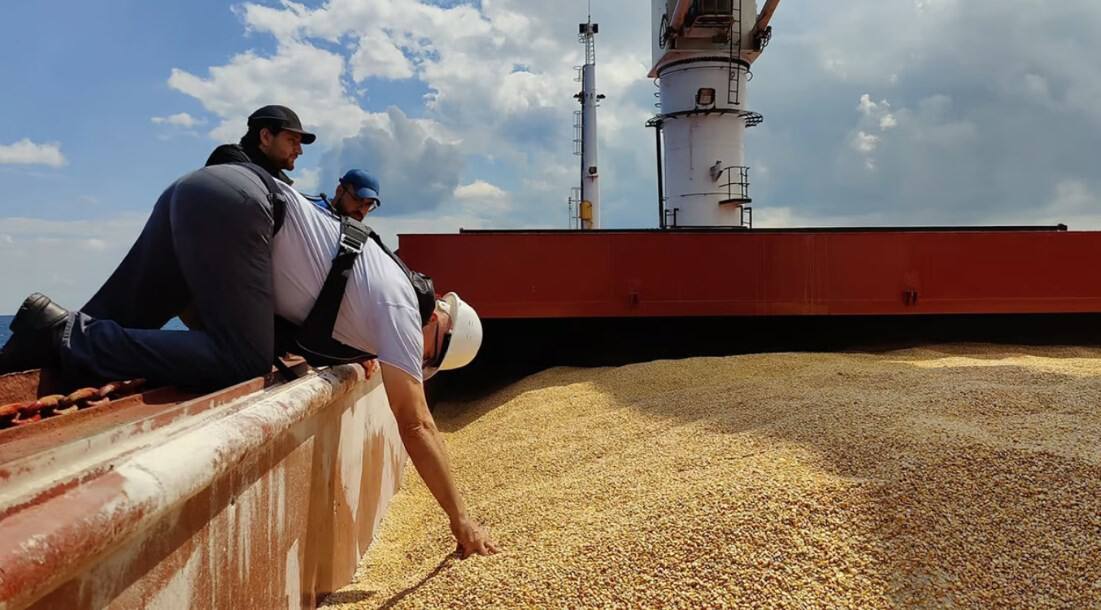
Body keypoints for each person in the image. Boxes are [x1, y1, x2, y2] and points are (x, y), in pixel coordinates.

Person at [0, 164, 498, 558]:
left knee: (96, 336)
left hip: (204, 193)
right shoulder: (401, 310)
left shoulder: (382, 284)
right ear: (438, 329)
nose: (416, 362)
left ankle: (42, 336)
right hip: (240, 209)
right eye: (427, 360)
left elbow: (321, 301)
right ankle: (62, 330)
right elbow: (416, 425)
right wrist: (460, 519)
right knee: (243, 358)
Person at [205, 105, 315, 185]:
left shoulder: (277, 178)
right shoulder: (229, 161)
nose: (299, 151)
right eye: (292, 141)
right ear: (266, 137)